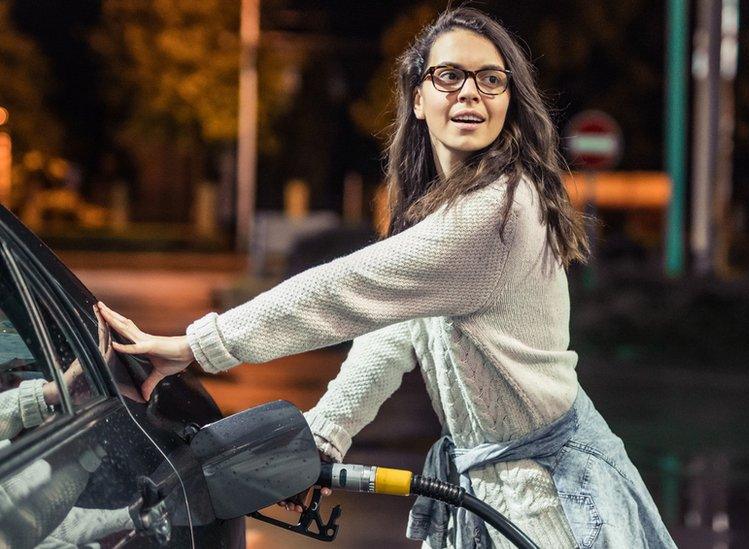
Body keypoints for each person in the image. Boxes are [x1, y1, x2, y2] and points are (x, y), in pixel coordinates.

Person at [99, 8, 676, 548]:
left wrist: (198, 345)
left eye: (490, 79)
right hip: (489, 491)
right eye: (449, 75)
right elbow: (394, 325)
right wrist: (325, 433)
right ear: (419, 98)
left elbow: (347, 290)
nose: (470, 91)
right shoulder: (449, 208)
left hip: (550, 503)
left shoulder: (498, 215)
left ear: (510, 102)